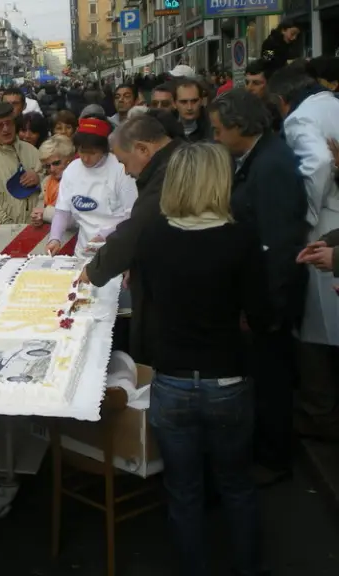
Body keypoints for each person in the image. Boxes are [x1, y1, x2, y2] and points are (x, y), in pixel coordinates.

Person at [135, 142, 268, 576]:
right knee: (237, 485)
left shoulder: (154, 234)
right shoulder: (240, 236)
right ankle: (248, 568)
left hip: (172, 377)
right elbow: (262, 312)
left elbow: (151, 300)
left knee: (183, 491)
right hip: (227, 375)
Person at [207, 88, 308, 479]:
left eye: (218, 130)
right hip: (264, 293)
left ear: (238, 126)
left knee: (272, 381)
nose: (215, 138)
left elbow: (280, 244)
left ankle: (274, 458)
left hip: (271, 299)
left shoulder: (272, 164)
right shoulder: (260, 157)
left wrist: (267, 308)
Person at [269, 66, 339, 445]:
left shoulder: (300, 118)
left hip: (326, 225)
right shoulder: (333, 104)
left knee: (316, 324)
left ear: (282, 101)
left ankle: (319, 414)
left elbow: (320, 163)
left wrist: (308, 215)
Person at [80, 115, 182, 363]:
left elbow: (138, 228)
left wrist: (94, 271)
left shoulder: (169, 171)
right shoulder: (175, 159)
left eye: (124, 162)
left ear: (143, 149)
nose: (126, 171)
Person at [46, 118, 137, 257]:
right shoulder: (72, 169)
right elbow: (62, 211)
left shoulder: (121, 169)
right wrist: (55, 238)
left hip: (115, 251)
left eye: (92, 153)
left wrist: (104, 235)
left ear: (104, 150)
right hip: (83, 252)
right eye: (82, 152)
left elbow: (131, 215)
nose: (86, 158)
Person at [34, 135, 76, 224]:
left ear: (69, 159)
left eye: (56, 163)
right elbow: (40, 208)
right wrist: (37, 218)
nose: (52, 169)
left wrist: (45, 213)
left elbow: (76, 219)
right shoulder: (46, 181)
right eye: (47, 166)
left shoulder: (80, 181)